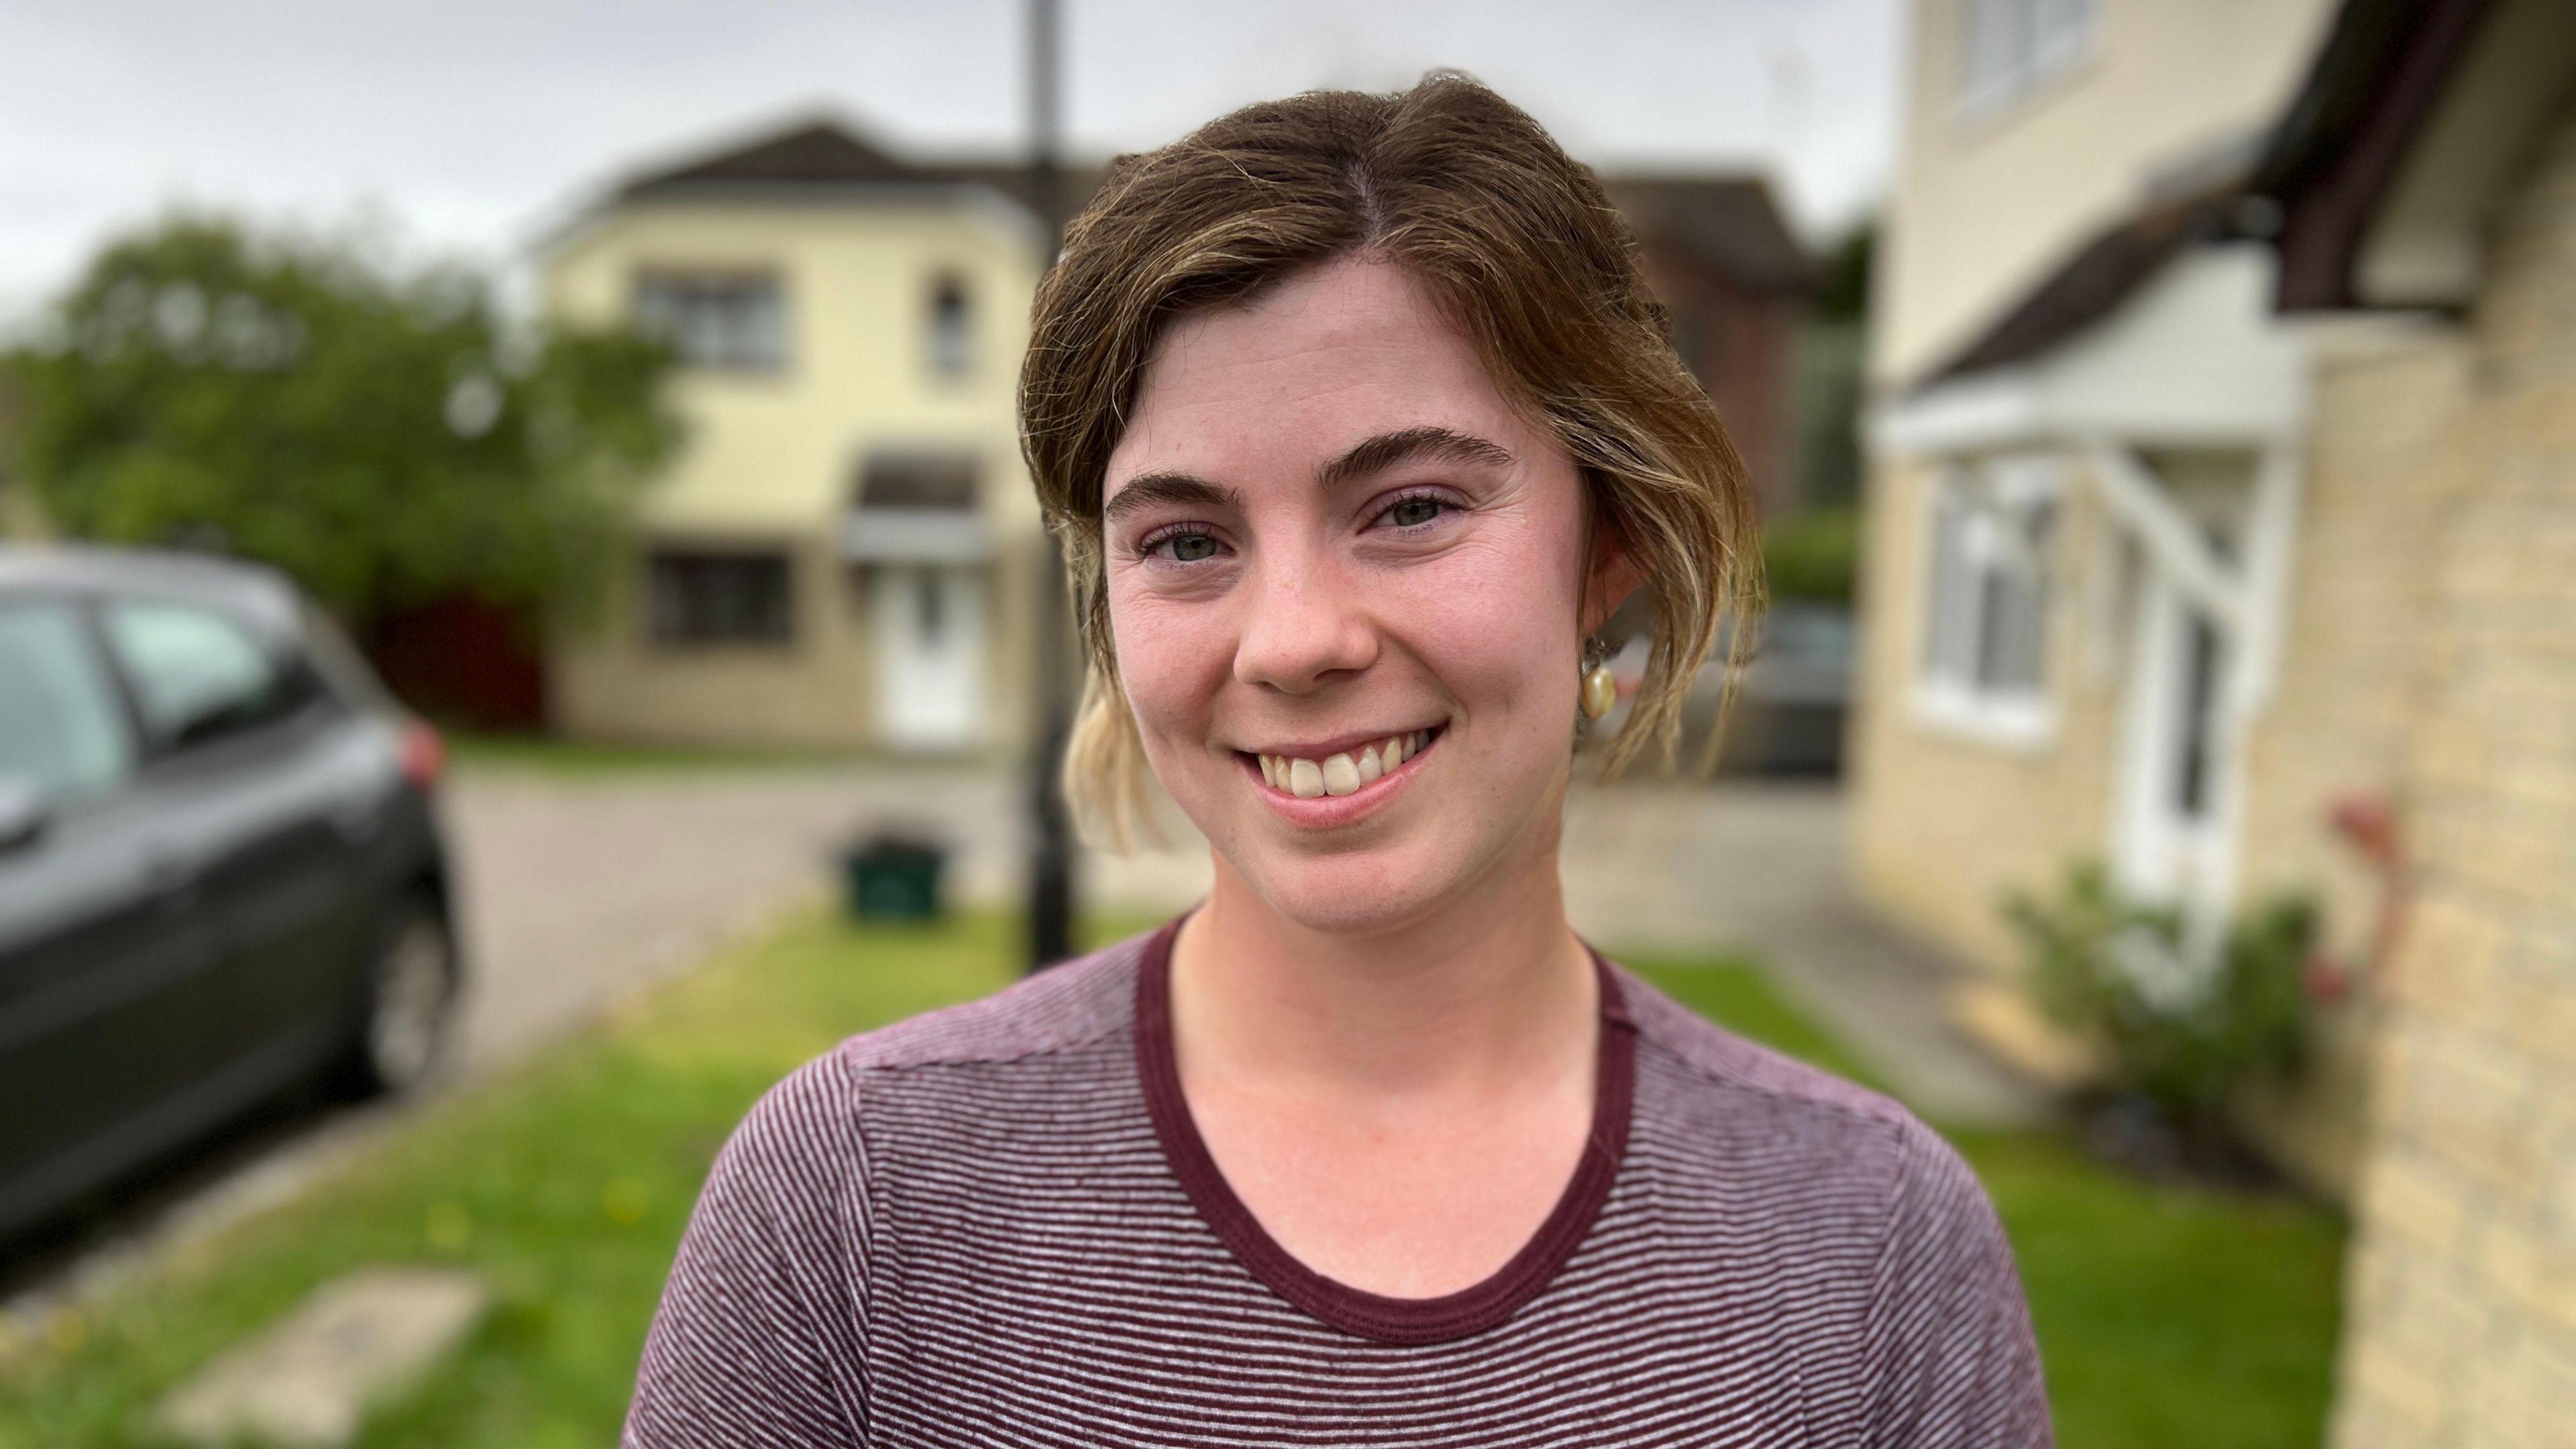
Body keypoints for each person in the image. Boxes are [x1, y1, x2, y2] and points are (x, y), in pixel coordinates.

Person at [624, 72, 2053, 1448]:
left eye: (1413, 507)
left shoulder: (1872, 1245)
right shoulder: (858, 1203)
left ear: (1607, 547)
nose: (1293, 642)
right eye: (1186, 541)